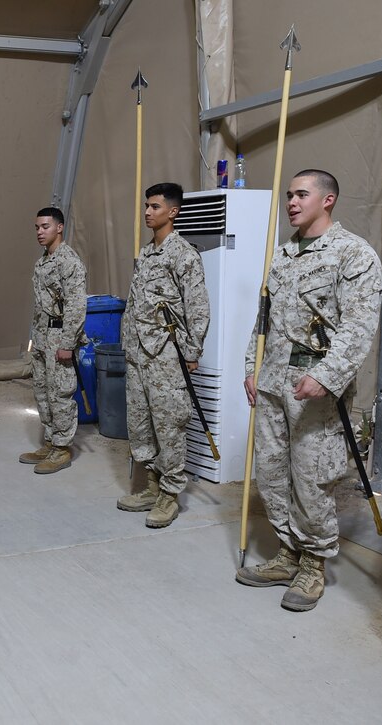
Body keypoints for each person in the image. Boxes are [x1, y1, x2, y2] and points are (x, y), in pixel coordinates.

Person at [236, 169, 381, 612]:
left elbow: (358, 326)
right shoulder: (282, 254)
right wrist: (251, 365)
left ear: (328, 200)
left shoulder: (353, 254)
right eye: (289, 195)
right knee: (272, 472)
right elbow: (265, 319)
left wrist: (327, 375)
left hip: (315, 388)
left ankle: (314, 563)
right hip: (274, 380)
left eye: (302, 194)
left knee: (313, 477)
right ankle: (288, 550)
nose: (292, 202)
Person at [116, 183, 210, 528]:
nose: (147, 212)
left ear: (173, 212)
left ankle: (170, 495)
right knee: (140, 425)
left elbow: (197, 307)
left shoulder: (183, 254)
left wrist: (191, 351)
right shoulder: (147, 252)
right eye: (146, 206)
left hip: (166, 357)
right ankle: (152, 486)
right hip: (139, 355)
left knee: (169, 425)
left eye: (155, 207)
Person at [19, 207, 87, 474]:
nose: (39, 232)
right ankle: (50, 441)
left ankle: (62, 448)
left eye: (45, 226)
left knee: (60, 393)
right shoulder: (43, 261)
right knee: (42, 391)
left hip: (61, 335)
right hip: (43, 335)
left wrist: (68, 344)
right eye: (36, 227)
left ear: (59, 228)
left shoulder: (69, 261)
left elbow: (76, 306)